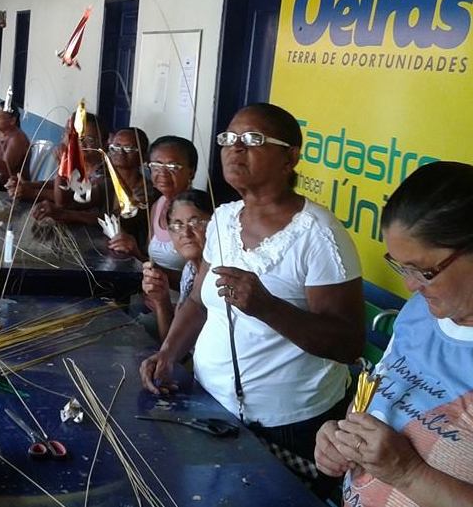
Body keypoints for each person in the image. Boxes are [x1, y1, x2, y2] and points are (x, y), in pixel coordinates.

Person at [139, 103, 364, 498]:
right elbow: (197, 299)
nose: (233, 149)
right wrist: (169, 353)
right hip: (210, 401)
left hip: (287, 425)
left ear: (290, 156)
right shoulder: (224, 218)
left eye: (252, 140)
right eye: (228, 139)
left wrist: (267, 306)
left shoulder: (320, 236)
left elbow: (347, 343)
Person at [315, 161, 473, 507]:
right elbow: (377, 404)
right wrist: (338, 438)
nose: (410, 285)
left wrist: (409, 472)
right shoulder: (421, 311)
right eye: (401, 266)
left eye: (424, 271)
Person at [109, 135, 198, 285]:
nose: (162, 173)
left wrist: (139, 257)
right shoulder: (158, 205)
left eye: (173, 167)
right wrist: (135, 251)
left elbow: (198, 280)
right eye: (156, 165)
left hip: (179, 305)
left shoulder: (198, 213)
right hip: (150, 299)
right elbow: (148, 259)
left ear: (191, 172)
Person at [141, 189, 212, 341]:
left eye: (194, 222)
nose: (186, 233)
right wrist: (162, 300)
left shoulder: (218, 277)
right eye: (177, 225)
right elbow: (171, 341)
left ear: (214, 225)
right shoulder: (190, 270)